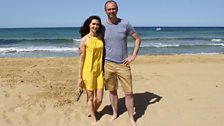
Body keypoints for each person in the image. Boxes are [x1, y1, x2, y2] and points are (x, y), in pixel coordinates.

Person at [103, 1, 141, 126]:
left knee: (129, 93)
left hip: (123, 64)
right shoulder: (101, 26)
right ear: (105, 11)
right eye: (109, 9)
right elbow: (90, 37)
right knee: (112, 91)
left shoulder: (125, 24)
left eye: (113, 9)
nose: (111, 11)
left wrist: (133, 56)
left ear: (117, 9)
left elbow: (137, 39)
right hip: (107, 64)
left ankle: (131, 117)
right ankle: (115, 113)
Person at [78, 15, 104, 124]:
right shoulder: (84, 39)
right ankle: (93, 117)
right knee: (90, 97)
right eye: (93, 24)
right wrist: (79, 77)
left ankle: (93, 110)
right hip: (88, 71)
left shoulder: (101, 37)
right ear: (89, 24)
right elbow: (81, 59)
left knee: (99, 99)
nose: (95, 26)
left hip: (99, 71)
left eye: (97, 24)